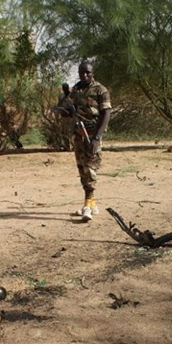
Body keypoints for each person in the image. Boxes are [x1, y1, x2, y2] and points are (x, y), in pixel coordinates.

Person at [66, 60, 112, 222]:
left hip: (92, 135)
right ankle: (91, 204)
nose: (84, 75)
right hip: (78, 134)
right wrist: (64, 108)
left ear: (93, 73)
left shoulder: (101, 90)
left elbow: (106, 114)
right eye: (81, 73)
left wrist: (97, 138)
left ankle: (87, 204)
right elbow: (69, 111)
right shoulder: (76, 89)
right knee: (82, 167)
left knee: (91, 168)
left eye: (88, 72)